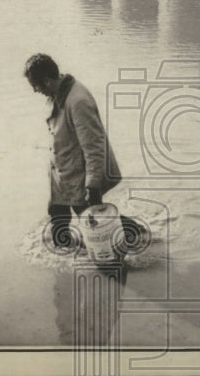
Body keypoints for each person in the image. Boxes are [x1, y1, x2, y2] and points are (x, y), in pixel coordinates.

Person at [25, 54, 137, 251]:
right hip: (62, 174)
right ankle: (68, 255)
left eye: (36, 86)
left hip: (79, 176)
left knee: (93, 218)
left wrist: (92, 186)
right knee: (59, 226)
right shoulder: (57, 95)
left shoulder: (77, 101)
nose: (35, 91)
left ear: (47, 81)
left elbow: (94, 146)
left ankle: (135, 235)